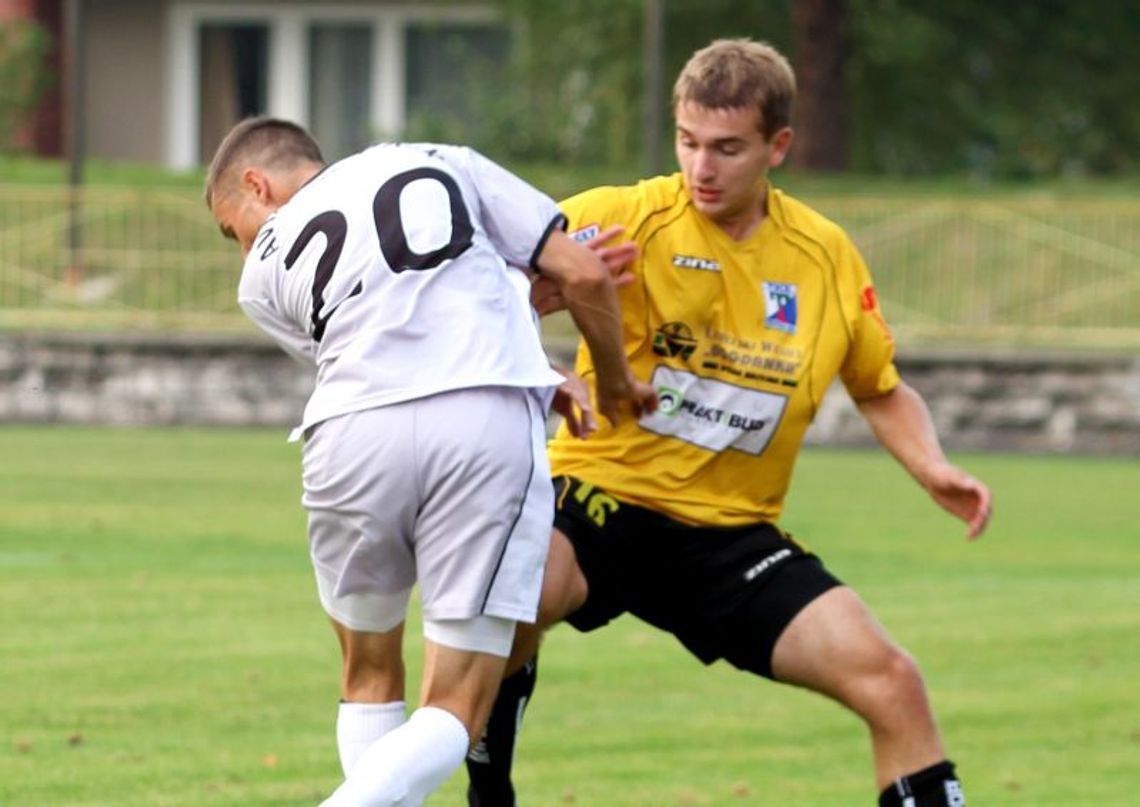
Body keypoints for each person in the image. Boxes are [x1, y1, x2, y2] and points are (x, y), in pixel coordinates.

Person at [465, 38, 992, 807]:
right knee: (514, 594)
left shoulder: (825, 257)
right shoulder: (622, 216)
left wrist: (932, 466)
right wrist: (548, 345)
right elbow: (475, 292)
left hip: (730, 538)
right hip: (603, 498)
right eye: (687, 142)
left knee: (894, 682)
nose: (701, 168)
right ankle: (489, 793)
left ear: (778, 145)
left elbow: (879, 388)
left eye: (727, 148)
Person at [204, 116, 657, 806]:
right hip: (479, 421)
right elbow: (582, 272)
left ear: (256, 185)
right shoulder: (440, 159)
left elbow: (382, 333)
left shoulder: (259, 281)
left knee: (366, 674)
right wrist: (616, 381)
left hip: (349, 434)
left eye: (232, 229)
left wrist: (525, 342)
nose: (244, 247)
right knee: (456, 702)